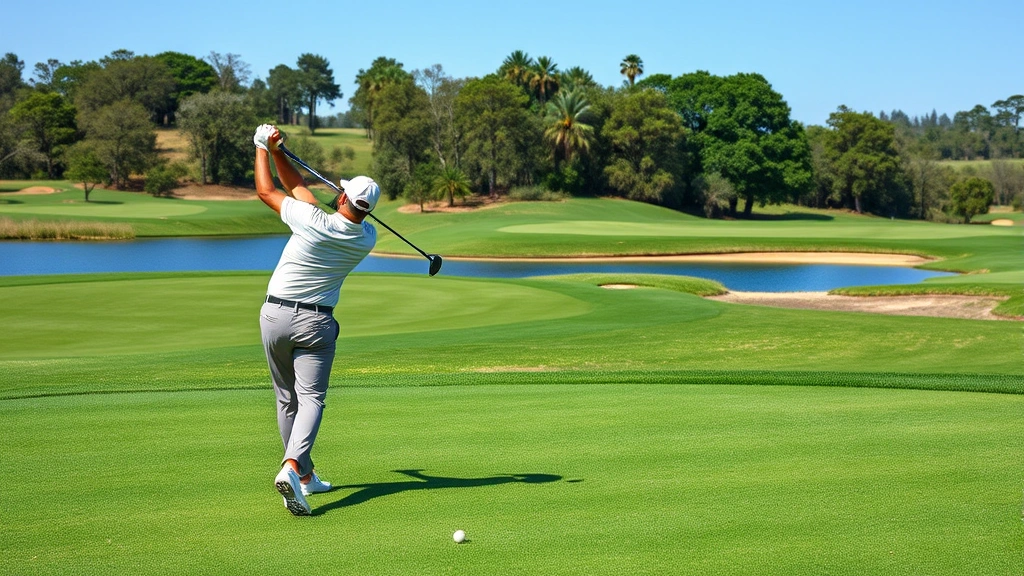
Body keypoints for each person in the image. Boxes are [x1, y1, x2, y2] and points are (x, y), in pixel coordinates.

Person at [252, 123, 380, 516]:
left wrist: (261, 146)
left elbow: (268, 192)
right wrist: (279, 154)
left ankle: (299, 472)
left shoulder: (310, 219)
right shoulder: (366, 237)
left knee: (287, 397)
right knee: (312, 399)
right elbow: (299, 191)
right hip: (316, 324)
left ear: (341, 196)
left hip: (274, 315)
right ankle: (298, 471)